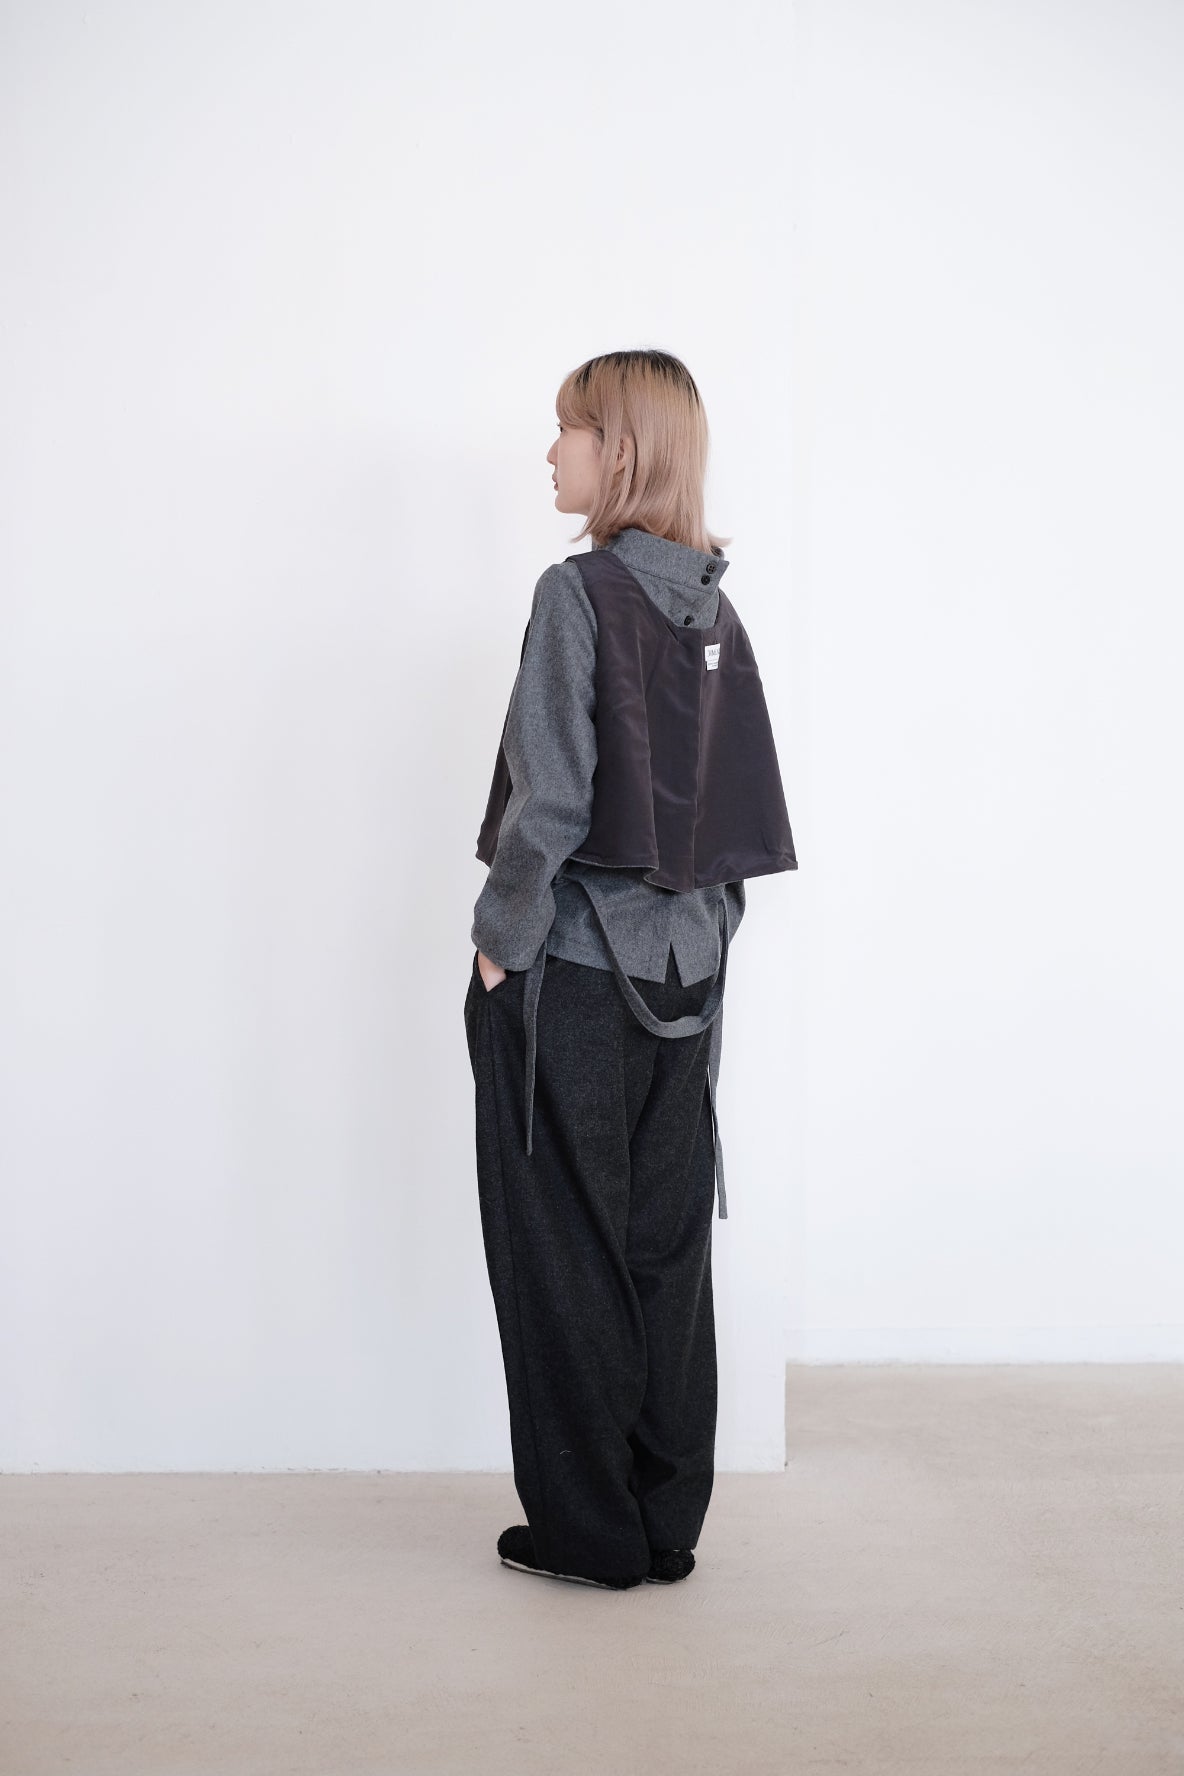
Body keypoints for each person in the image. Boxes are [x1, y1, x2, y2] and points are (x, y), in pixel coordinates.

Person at [465, 348, 796, 1591]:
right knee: (663, 1247)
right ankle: (661, 1523)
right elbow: (732, 823)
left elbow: (549, 800)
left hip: (572, 970)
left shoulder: (578, 595)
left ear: (620, 452)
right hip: (688, 984)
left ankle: (585, 1532)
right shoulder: (716, 610)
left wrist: (498, 944)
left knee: (561, 1246)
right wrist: (700, 950)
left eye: (569, 429)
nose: (550, 451)